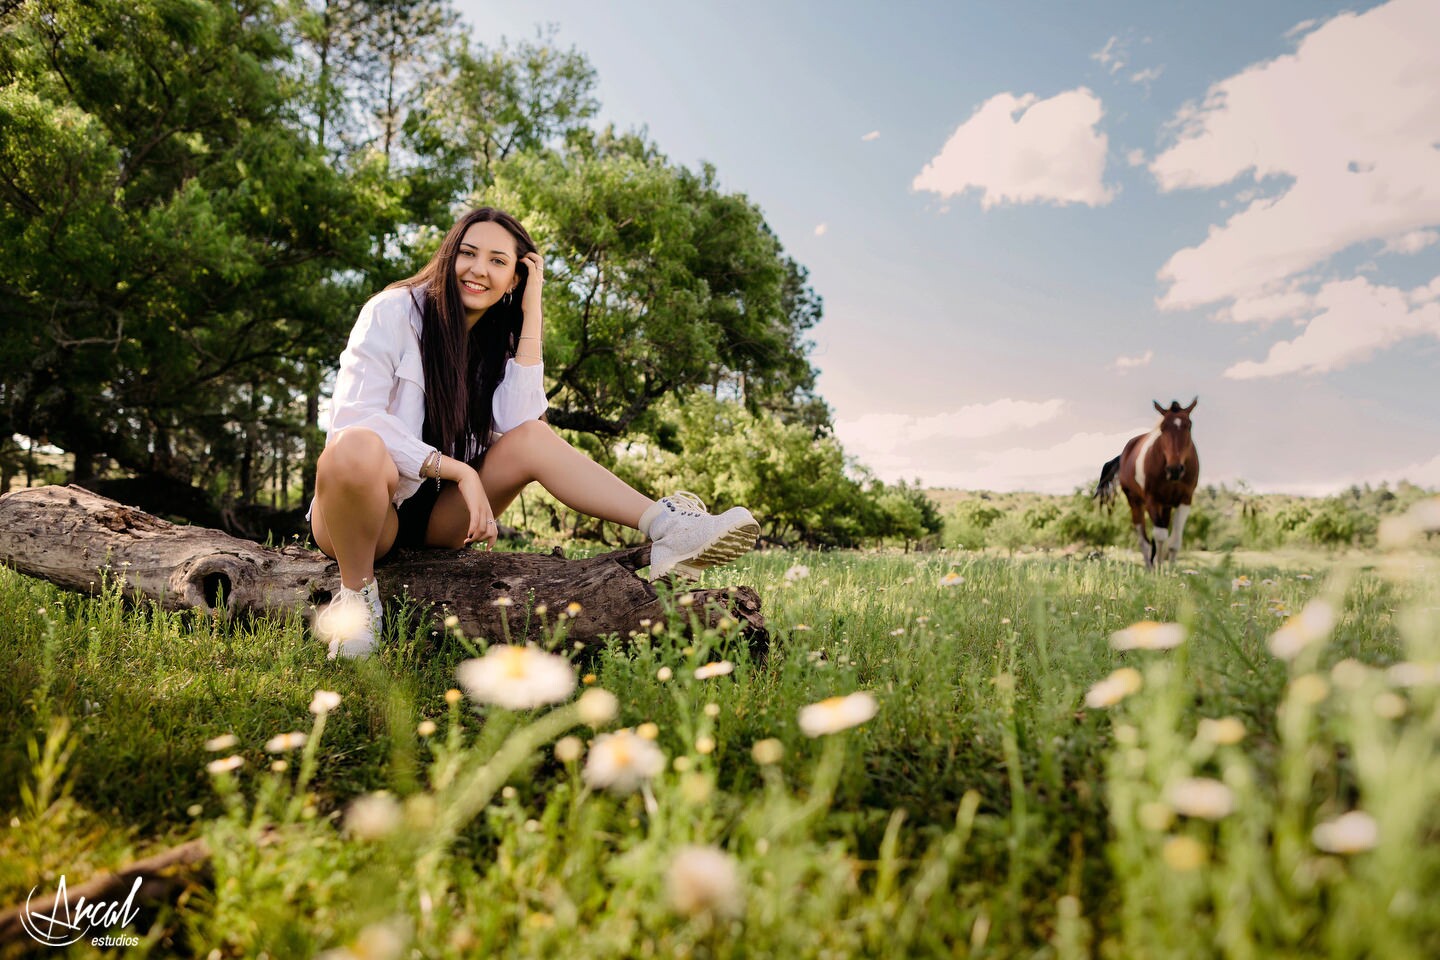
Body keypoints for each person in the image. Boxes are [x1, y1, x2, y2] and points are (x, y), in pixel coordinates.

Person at [306, 207, 760, 659]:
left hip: (437, 520)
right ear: (448, 257)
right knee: (357, 447)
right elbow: (356, 418)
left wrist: (532, 307)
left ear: (515, 277)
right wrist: (459, 471)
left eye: (499, 261)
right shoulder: (393, 311)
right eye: (468, 253)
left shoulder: (495, 339)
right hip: (362, 512)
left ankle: (669, 527)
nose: (478, 269)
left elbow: (520, 421)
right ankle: (357, 604)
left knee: (533, 436)